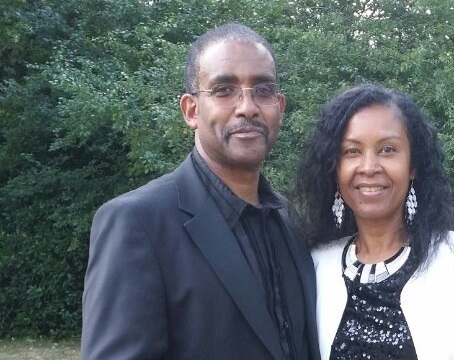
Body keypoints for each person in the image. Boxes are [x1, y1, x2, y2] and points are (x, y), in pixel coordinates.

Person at [82, 23, 320, 360]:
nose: (248, 107)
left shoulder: (292, 221)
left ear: (279, 106)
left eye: (263, 90)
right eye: (225, 89)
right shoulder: (138, 223)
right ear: (191, 110)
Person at [295, 83, 454, 359]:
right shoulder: (315, 267)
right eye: (352, 151)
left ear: (413, 165)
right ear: (334, 168)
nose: (369, 167)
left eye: (388, 150)